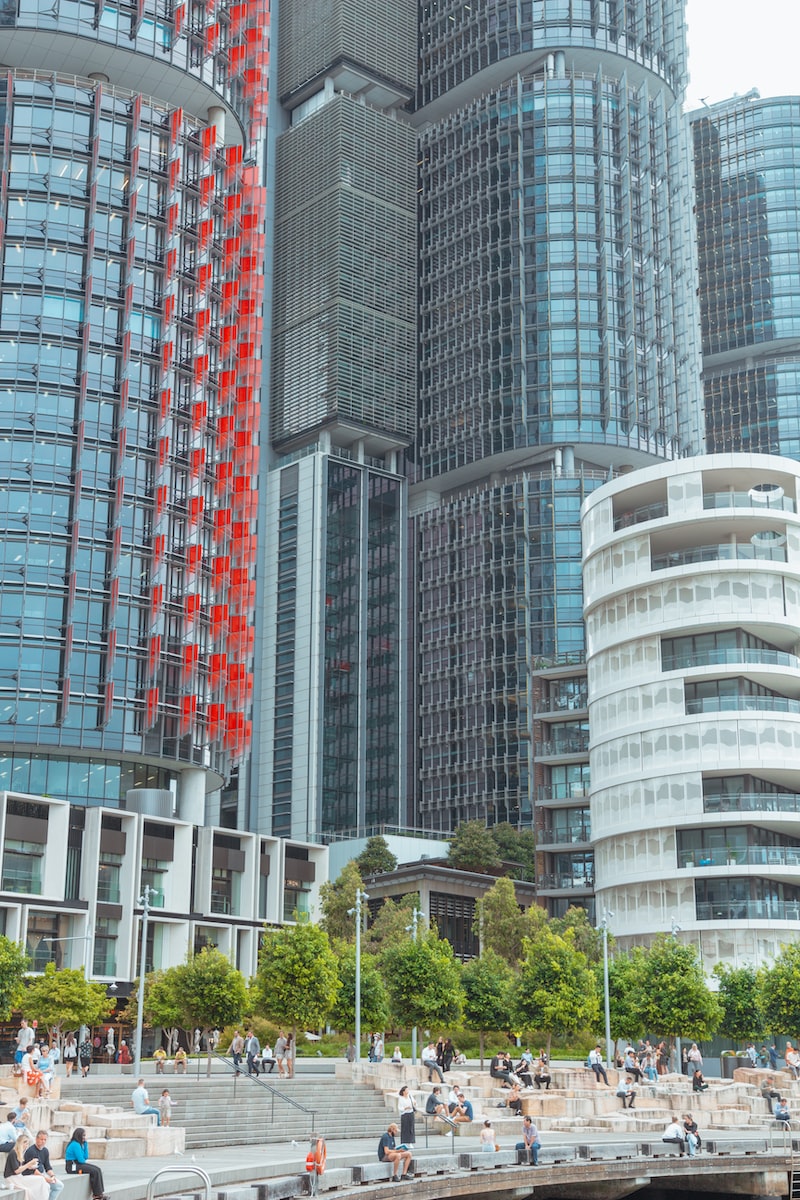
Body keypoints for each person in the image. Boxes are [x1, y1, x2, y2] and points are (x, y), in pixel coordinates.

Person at [64, 1128, 108, 1200]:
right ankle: (97, 1195)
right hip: (72, 1166)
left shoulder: (79, 1144)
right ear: (78, 1135)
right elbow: (81, 1160)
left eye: (85, 1135)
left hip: (78, 1163)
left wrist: (85, 1145)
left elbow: (86, 1157)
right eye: (83, 1135)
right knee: (94, 1171)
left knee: (97, 1169)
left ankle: (100, 1193)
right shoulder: (75, 1144)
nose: (84, 1137)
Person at [4, 1134, 50, 1200]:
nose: (27, 1146)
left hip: (18, 1177)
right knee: (41, 1179)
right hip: (12, 1178)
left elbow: (20, 1167)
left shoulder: (19, 1153)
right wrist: (29, 1164)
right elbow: (16, 1171)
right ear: (22, 1143)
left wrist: (30, 1167)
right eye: (26, 1144)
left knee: (44, 1184)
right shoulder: (13, 1153)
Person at [24, 1131, 63, 1200]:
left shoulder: (45, 1151)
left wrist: (52, 1176)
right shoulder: (31, 1151)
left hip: (42, 1175)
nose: (43, 1141)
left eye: (45, 1140)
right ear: (36, 1139)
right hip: (32, 1176)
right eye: (41, 1139)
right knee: (47, 1186)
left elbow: (48, 1167)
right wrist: (46, 1179)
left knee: (59, 1186)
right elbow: (33, 1170)